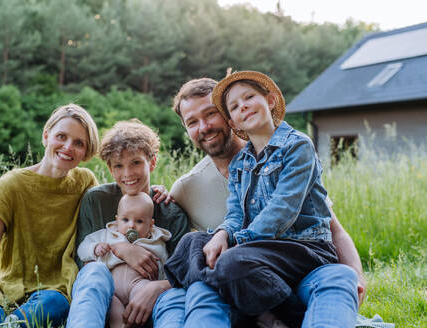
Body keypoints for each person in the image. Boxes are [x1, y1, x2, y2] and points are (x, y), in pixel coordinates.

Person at [153, 76, 364, 328]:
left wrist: (356, 277)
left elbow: (290, 213)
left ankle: (279, 315)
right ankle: (228, 285)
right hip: (247, 272)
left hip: (298, 253)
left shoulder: (295, 147)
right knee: (191, 244)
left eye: (210, 114)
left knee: (231, 263)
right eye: (192, 122)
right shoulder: (213, 175)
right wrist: (220, 233)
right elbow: (232, 214)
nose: (204, 126)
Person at [0, 104, 100, 328]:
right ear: (46, 136)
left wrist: (158, 192)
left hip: (54, 288)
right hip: (0, 283)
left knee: (46, 308)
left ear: (86, 152)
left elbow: (115, 213)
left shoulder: (85, 182)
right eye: (61, 136)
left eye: (79, 143)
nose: (68, 147)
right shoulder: (10, 186)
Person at [66, 119, 190, 328]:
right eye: (118, 165)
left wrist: (157, 288)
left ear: (152, 162)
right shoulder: (96, 200)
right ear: (110, 169)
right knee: (93, 273)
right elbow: (83, 263)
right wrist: (120, 249)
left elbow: (184, 274)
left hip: (150, 295)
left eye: (136, 163)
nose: (128, 173)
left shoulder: (171, 211)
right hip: (104, 293)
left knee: (174, 299)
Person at [77, 192, 171, 328]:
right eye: (125, 220)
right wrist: (95, 248)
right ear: (117, 220)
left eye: (139, 221)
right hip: (112, 289)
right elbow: (82, 249)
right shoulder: (107, 235)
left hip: (139, 286)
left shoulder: (156, 241)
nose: (131, 226)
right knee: (115, 314)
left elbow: (164, 264)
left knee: (139, 312)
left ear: (151, 225)